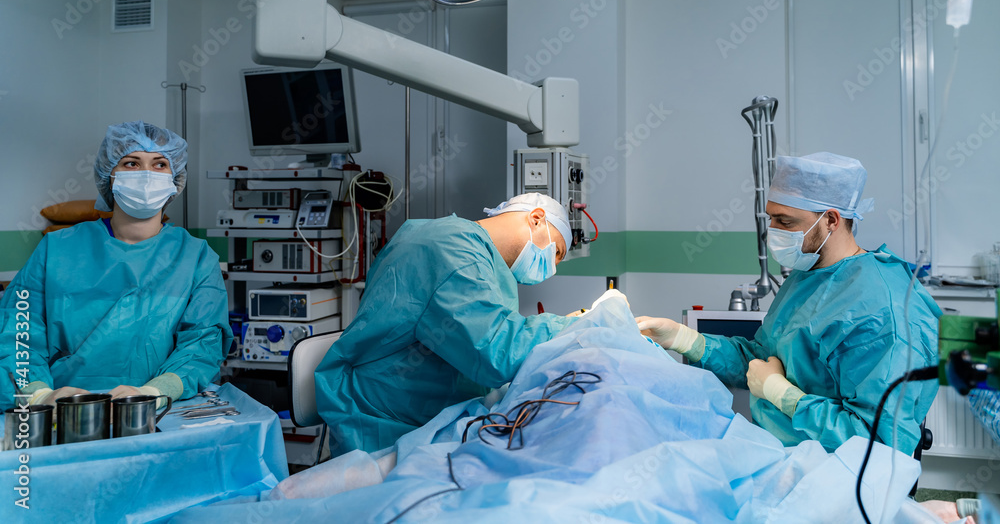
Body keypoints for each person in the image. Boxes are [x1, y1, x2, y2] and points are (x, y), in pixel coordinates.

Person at [637, 152, 941, 454]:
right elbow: (764, 361)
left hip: (839, 480)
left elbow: (882, 445)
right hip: (782, 455)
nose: (774, 231)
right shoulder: (808, 274)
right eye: (771, 218)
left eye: (785, 221)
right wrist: (684, 339)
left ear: (832, 220)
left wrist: (785, 397)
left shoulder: (882, 311)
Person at [314, 192, 578, 456]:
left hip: (415, 409)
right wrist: (576, 324)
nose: (552, 267)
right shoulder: (454, 251)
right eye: (556, 252)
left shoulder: (463, 247)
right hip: (383, 427)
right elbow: (498, 352)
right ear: (536, 219)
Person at [0, 121, 232, 409]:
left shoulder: (196, 257)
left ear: (176, 180)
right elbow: (18, 331)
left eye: (160, 165)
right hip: (62, 410)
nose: (146, 175)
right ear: (109, 175)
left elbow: (202, 343)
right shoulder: (56, 249)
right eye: (132, 163)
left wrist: (158, 391)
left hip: (158, 411)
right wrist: (37, 395)